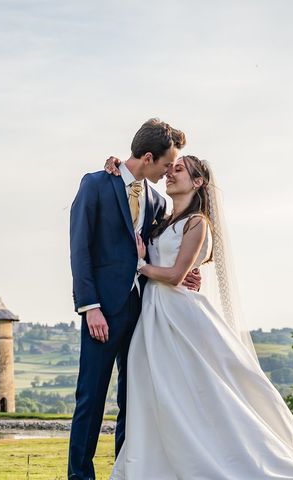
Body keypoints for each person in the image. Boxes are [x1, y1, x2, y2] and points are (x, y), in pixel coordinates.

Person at [105, 155, 293, 479]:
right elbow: (134, 197)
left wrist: (141, 265)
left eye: (179, 170)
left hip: (180, 316)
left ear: (198, 182)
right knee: (155, 392)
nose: (170, 174)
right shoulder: (162, 218)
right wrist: (118, 165)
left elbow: (176, 274)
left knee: (199, 393)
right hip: (153, 316)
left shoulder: (198, 223)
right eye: (170, 168)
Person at [68, 118, 201, 480]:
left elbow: (167, 242)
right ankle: (80, 476)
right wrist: (90, 306)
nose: (167, 171)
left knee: (133, 399)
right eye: (165, 164)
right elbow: (79, 250)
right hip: (102, 313)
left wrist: (187, 267)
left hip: (142, 311)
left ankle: (123, 472)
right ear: (146, 157)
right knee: (90, 399)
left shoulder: (157, 200)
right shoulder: (95, 184)